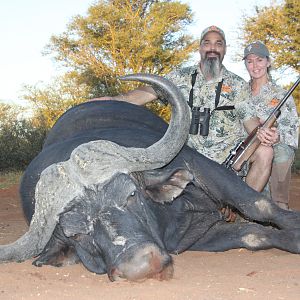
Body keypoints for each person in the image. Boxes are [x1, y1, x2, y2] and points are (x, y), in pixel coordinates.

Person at [93, 25, 279, 193]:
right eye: (207, 43)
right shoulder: (179, 77)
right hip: (185, 158)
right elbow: (146, 93)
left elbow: (250, 124)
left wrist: (263, 134)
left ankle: (244, 211)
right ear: (200, 48)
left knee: (265, 151)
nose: (212, 48)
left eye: (218, 44)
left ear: (224, 50)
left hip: (225, 162)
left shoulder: (237, 85)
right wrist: (112, 100)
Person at [241, 41, 299, 209]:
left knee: (282, 150)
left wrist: (277, 137)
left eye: (259, 60)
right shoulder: (239, 92)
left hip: (268, 152)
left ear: (268, 62)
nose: (255, 65)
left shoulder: (281, 94)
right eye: (250, 61)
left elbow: (293, 132)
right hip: (243, 151)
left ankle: (280, 203)